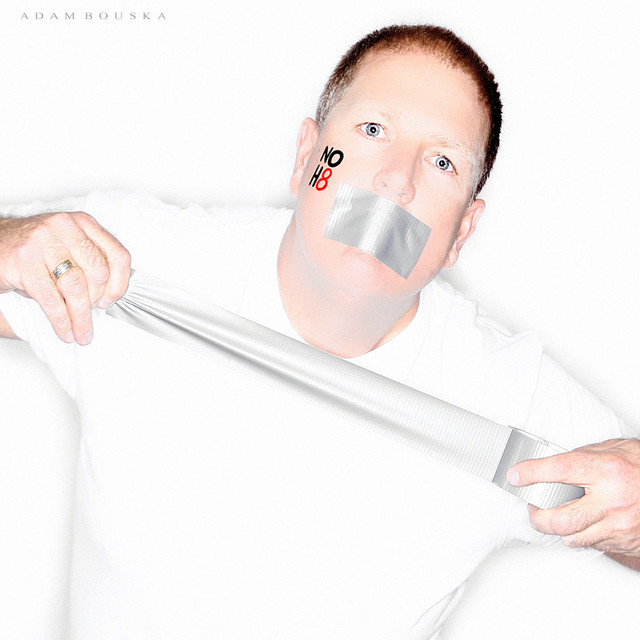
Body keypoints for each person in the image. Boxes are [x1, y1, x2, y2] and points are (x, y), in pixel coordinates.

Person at [0, 24, 638, 638]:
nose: (397, 181)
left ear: (461, 233)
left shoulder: (508, 397)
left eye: (442, 161)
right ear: (308, 156)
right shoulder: (130, 268)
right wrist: (8, 246)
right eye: (373, 130)